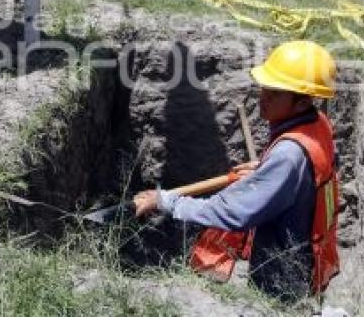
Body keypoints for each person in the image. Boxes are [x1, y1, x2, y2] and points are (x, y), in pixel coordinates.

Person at [133, 41, 341, 303]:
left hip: (281, 279)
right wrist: (268, 171)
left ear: (302, 103)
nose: (262, 97)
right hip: (307, 259)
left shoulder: (289, 158)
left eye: (275, 93)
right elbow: (312, 173)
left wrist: (168, 202)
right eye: (265, 87)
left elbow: (232, 212)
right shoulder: (317, 125)